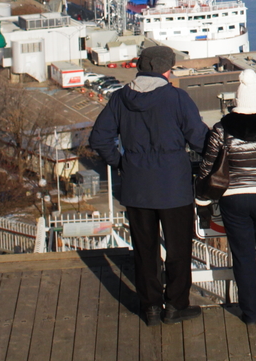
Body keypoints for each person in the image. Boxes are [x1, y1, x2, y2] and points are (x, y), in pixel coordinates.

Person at [88, 45, 207, 327]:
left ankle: (151, 307)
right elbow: (201, 141)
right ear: (167, 70)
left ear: (141, 67)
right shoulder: (177, 98)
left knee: (144, 249)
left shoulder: (119, 99)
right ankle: (176, 306)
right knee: (178, 249)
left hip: (136, 185)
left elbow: (99, 139)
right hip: (174, 186)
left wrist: (121, 163)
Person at [195, 68, 256, 325]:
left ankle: (249, 314)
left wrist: (203, 201)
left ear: (237, 100)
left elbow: (207, 167)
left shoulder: (221, 129)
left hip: (234, 198)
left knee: (242, 255)